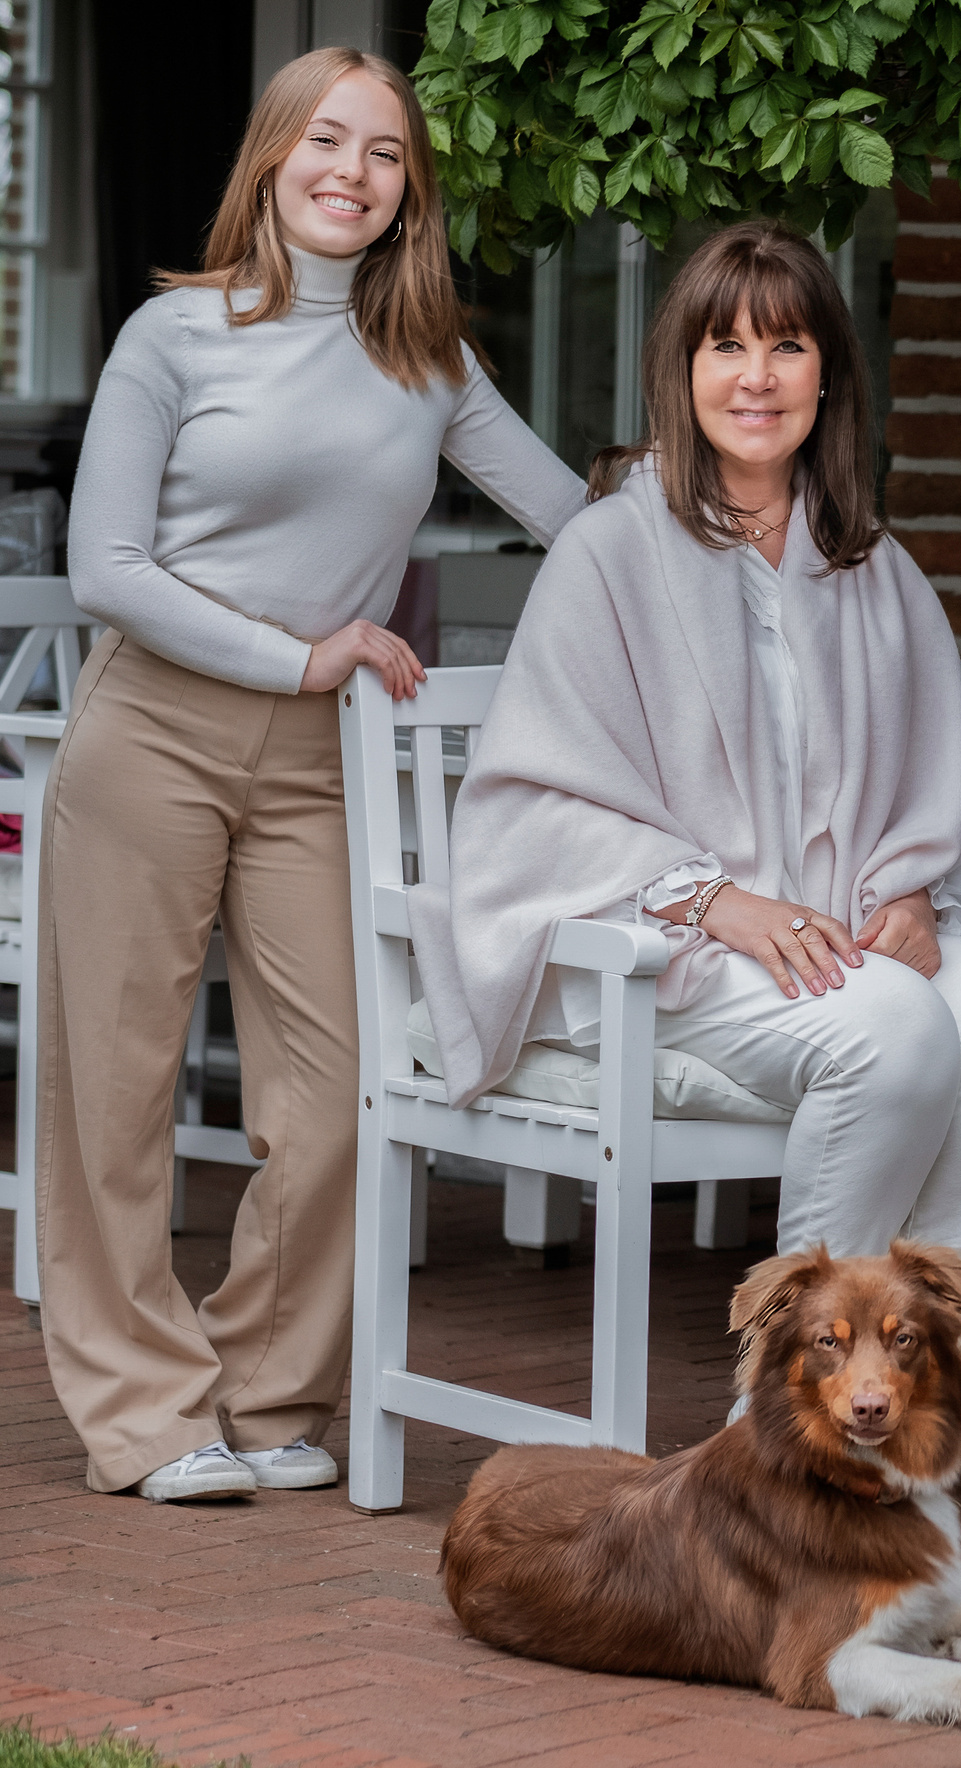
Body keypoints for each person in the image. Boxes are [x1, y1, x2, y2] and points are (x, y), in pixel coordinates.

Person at [43, 49, 586, 1502]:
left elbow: (576, 518)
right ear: (272, 158)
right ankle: (145, 1415)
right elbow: (107, 570)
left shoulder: (430, 360)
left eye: (386, 153)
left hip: (315, 762)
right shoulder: (176, 335)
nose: (352, 171)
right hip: (154, 729)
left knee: (343, 1087)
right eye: (326, 142)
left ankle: (272, 1388)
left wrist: (733, 515)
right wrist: (305, 654)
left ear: (412, 190)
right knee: (117, 1090)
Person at [416, 221, 961, 1308]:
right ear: (685, 374)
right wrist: (717, 899)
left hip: (831, 931)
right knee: (894, 1030)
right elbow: (534, 793)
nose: (756, 378)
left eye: (787, 347)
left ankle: (897, 1371)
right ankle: (790, 1404)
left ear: (829, 376)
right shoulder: (608, 552)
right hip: (660, 941)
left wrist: (909, 886)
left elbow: (928, 764)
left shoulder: (870, 563)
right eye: (725, 346)